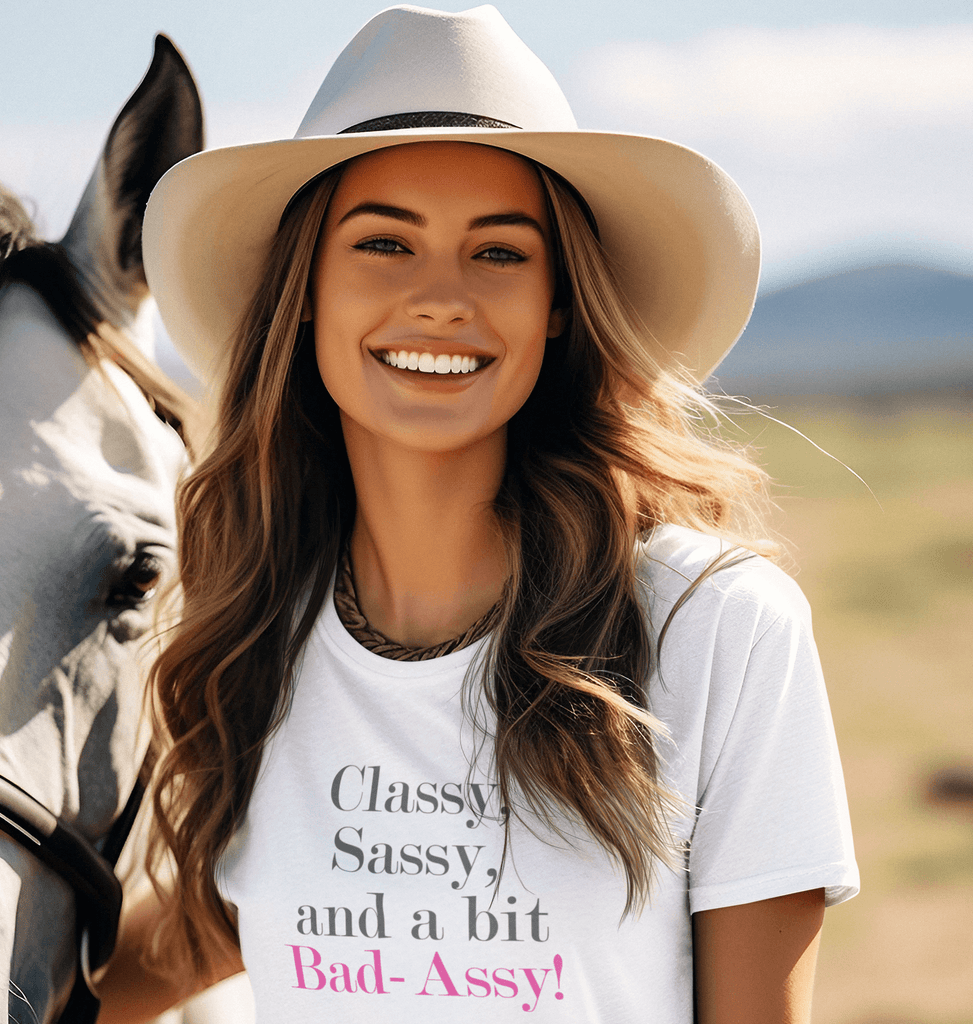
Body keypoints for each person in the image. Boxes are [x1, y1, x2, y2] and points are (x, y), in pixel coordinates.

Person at [96, 6, 859, 1022]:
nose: (441, 298)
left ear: (556, 302)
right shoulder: (256, 637)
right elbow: (98, 978)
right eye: (383, 244)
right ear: (307, 290)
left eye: (498, 253)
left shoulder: (715, 625)